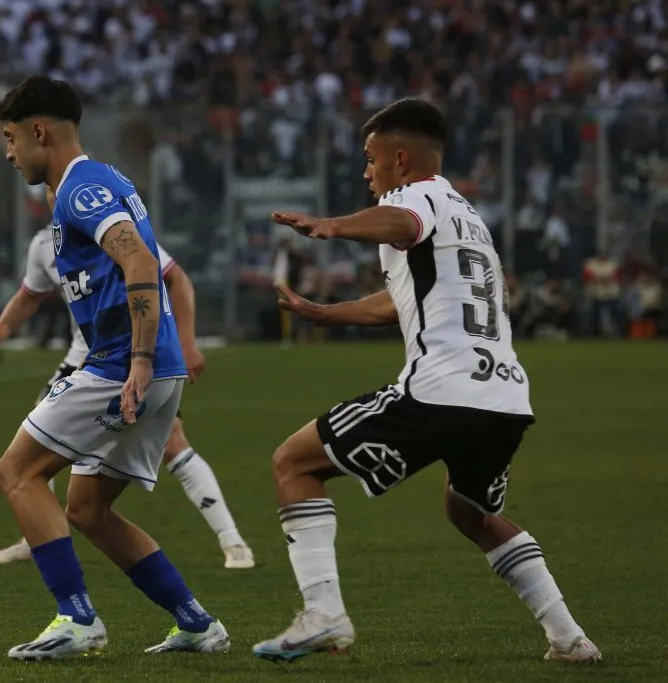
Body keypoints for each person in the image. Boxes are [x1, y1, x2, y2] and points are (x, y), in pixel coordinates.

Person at [252, 98, 601, 664]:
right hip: (506, 397)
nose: (367, 172)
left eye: (370, 159)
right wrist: (328, 312)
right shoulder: (470, 218)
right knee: (470, 512)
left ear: (399, 157)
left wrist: (334, 227)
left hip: (443, 390)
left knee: (294, 463)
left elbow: (401, 222)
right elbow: (406, 300)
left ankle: (324, 614)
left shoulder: (414, 198)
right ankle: (569, 638)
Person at [0, 75, 230, 660]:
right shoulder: (98, 184)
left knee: (16, 473)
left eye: (10, 139)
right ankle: (196, 622)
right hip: (156, 368)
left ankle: (76, 618)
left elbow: (138, 259)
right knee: (85, 508)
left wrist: (135, 359)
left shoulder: (82, 186)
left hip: (122, 365)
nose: (7, 154)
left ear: (39, 132)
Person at [0, 186, 254, 570]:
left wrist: (187, 342)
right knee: (33, 434)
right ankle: (36, 535)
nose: (56, 194)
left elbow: (176, 280)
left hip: (131, 356)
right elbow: (28, 296)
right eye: (50, 190)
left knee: (173, 444)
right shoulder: (43, 246)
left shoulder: (111, 228)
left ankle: (233, 542)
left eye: (58, 187)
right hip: (83, 361)